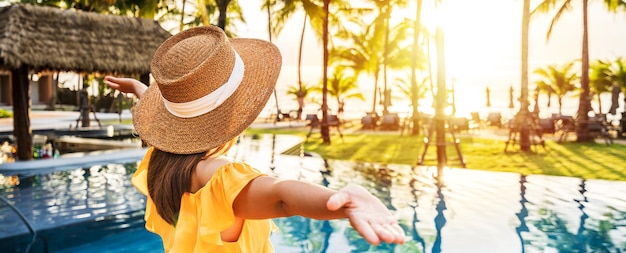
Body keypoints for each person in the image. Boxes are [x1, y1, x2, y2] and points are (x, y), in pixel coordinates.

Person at [104, 26, 404, 252]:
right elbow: (282, 196)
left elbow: (166, 129)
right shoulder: (218, 177)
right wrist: (339, 200)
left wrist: (141, 93)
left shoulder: (161, 163)